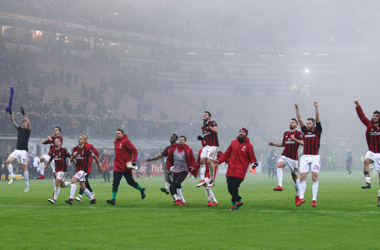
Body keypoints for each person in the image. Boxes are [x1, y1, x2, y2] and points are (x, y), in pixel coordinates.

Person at [214, 128, 258, 211]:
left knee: (234, 186)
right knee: (229, 188)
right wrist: (219, 161)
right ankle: (239, 201)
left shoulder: (249, 146)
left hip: (241, 170)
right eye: (240, 131)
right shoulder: (233, 143)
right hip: (231, 169)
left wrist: (254, 163)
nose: (241, 133)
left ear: (246, 134)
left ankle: (233, 204)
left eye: (243, 132)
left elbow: (252, 157)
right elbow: (226, 154)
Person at [268, 118, 304, 204]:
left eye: (293, 122)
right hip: (285, 155)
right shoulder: (286, 133)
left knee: (295, 177)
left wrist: (294, 139)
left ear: (296, 125)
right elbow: (283, 144)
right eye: (290, 122)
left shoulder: (299, 133)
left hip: (293, 158)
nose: (291, 123)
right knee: (279, 165)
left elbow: (303, 143)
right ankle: (280, 185)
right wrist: (274, 144)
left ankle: (297, 196)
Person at [293, 102, 322, 207]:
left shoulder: (318, 131)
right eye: (307, 123)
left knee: (314, 178)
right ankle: (301, 198)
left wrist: (316, 107)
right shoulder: (304, 131)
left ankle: (314, 199)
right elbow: (300, 119)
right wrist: (297, 108)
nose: (308, 124)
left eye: (310, 123)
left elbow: (317, 118)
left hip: (315, 157)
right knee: (302, 177)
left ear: (313, 124)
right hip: (305, 157)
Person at [107, 128, 146, 205]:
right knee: (115, 182)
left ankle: (141, 190)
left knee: (130, 182)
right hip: (117, 166)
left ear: (122, 134)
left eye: (118, 133)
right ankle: (113, 199)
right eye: (116, 133)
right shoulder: (115, 142)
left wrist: (134, 161)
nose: (116, 134)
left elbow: (134, 151)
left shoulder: (126, 141)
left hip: (126, 166)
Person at [354, 99, 380, 206]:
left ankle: (379, 196)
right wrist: (357, 105)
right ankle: (368, 182)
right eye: (374, 115)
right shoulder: (369, 124)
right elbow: (362, 117)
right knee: (365, 161)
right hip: (372, 151)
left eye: (377, 116)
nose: (374, 117)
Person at [66, 136, 101, 205]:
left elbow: (95, 156)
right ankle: (93, 199)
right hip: (78, 170)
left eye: (81, 139)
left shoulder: (87, 150)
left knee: (73, 181)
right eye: (79, 138)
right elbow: (70, 160)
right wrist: (73, 156)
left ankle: (70, 199)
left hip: (83, 170)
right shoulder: (75, 149)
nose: (79, 140)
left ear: (84, 141)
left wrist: (99, 166)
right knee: (83, 187)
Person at [5, 107, 31, 192]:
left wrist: (24, 115)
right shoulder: (19, 129)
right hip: (17, 150)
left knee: (24, 167)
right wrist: (11, 114)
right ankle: (12, 176)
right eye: (23, 123)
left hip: (24, 151)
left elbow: (28, 122)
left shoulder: (28, 131)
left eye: (25, 123)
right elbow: (13, 122)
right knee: (8, 161)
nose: (24, 124)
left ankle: (27, 184)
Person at [146, 134, 178, 201]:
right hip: (169, 168)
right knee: (169, 181)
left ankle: (175, 196)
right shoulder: (168, 148)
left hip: (178, 168)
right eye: (171, 137)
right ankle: (175, 198)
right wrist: (151, 159)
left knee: (174, 184)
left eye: (173, 137)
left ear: (176, 139)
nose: (171, 138)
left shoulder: (178, 147)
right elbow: (161, 155)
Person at [166, 136, 196, 206]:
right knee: (174, 185)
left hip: (183, 170)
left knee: (177, 183)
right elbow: (168, 159)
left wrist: (192, 166)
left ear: (185, 142)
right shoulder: (173, 148)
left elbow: (192, 159)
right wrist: (168, 168)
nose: (180, 141)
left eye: (182, 140)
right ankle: (183, 201)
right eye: (180, 139)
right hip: (175, 170)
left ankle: (179, 199)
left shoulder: (188, 150)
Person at [197, 111, 219, 187]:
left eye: (206, 115)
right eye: (203, 115)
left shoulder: (212, 123)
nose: (204, 116)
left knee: (209, 162)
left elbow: (216, 131)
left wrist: (208, 126)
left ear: (209, 117)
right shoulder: (203, 127)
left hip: (214, 145)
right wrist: (202, 138)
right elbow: (207, 137)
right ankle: (202, 180)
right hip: (207, 145)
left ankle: (212, 180)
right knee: (202, 161)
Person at [74, 135, 99, 202]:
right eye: (79, 138)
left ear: (86, 139)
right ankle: (90, 193)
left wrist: (95, 159)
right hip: (79, 167)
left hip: (86, 166)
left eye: (82, 138)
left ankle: (80, 196)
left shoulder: (89, 146)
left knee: (82, 180)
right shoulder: (78, 147)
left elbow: (96, 153)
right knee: (84, 180)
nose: (80, 139)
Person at [45, 138, 71, 204]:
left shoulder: (64, 150)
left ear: (60, 143)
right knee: (62, 185)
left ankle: (54, 199)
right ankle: (72, 184)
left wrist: (75, 163)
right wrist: (47, 165)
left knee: (57, 182)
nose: (55, 142)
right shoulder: (53, 150)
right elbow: (51, 158)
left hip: (63, 169)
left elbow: (70, 156)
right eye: (55, 141)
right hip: (57, 169)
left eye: (57, 141)